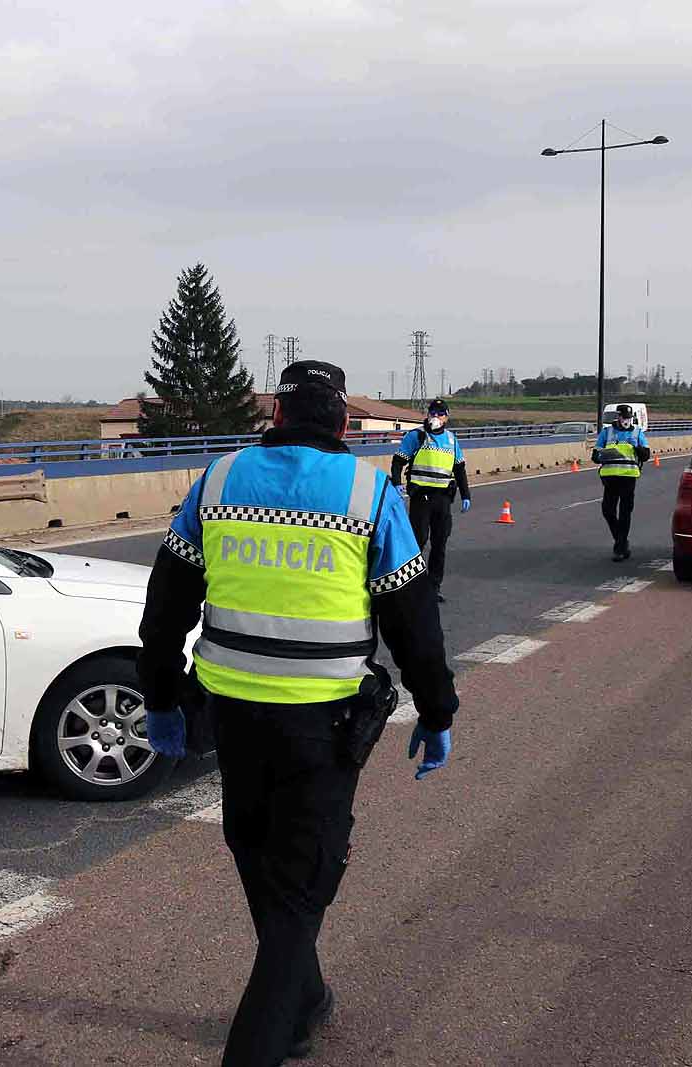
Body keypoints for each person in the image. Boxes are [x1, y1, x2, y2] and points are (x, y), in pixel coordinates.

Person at [136, 360, 461, 1067]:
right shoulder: (369, 491)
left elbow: (164, 607)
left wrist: (160, 695)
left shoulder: (218, 479)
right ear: (343, 422)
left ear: (277, 417)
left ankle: (306, 998)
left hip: (233, 718)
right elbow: (413, 621)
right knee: (299, 890)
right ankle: (261, 1041)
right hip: (323, 725)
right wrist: (437, 711)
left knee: (258, 855)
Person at [390, 398, 471, 602]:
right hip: (421, 498)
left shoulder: (452, 440)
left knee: (439, 544)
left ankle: (433, 587)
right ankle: (412, 587)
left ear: (446, 417)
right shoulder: (416, 436)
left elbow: (459, 470)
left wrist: (466, 495)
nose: (436, 417)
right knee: (418, 542)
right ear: (428, 414)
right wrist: (398, 483)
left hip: (443, 499)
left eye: (440, 413)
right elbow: (398, 461)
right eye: (433, 412)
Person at [592, 403, 651, 562]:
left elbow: (646, 456)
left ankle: (619, 548)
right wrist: (601, 455)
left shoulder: (638, 432)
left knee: (625, 512)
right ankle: (622, 541)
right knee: (608, 510)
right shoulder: (607, 432)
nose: (626, 420)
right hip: (610, 477)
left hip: (628, 476)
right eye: (623, 417)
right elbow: (595, 456)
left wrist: (637, 448)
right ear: (617, 417)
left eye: (629, 418)